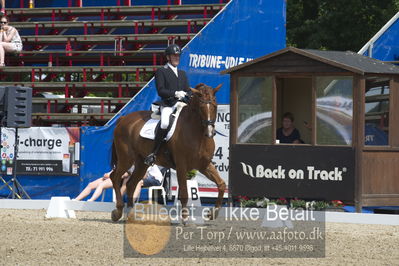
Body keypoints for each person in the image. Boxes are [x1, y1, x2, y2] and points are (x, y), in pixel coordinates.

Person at [144, 44, 190, 166]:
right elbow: (161, 91)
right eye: (174, 56)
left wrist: (188, 94)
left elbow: (187, 89)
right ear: (168, 57)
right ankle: (153, 153)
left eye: (178, 56)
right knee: (165, 123)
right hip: (168, 105)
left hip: (182, 105)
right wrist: (175, 93)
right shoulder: (161, 71)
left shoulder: (182, 73)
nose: (176, 58)